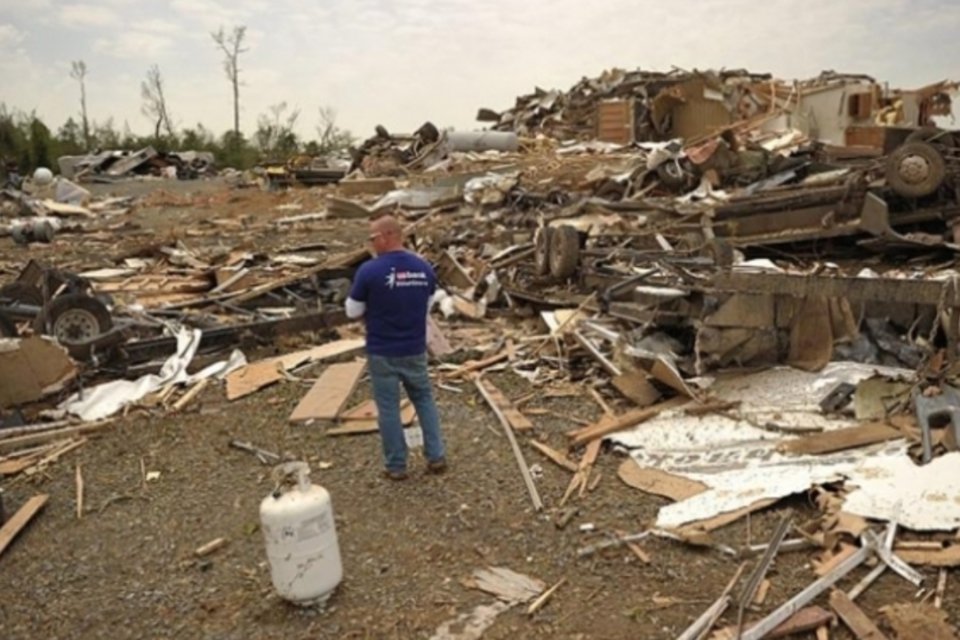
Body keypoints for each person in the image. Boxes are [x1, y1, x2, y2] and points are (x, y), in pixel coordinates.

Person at [345, 214, 447, 480]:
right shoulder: (423, 268)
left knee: (388, 408)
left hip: (383, 350)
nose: (370, 243)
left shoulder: (370, 270)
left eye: (372, 238)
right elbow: (426, 307)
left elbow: (351, 310)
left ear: (387, 235)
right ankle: (436, 457)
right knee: (424, 400)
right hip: (414, 348)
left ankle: (396, 466)